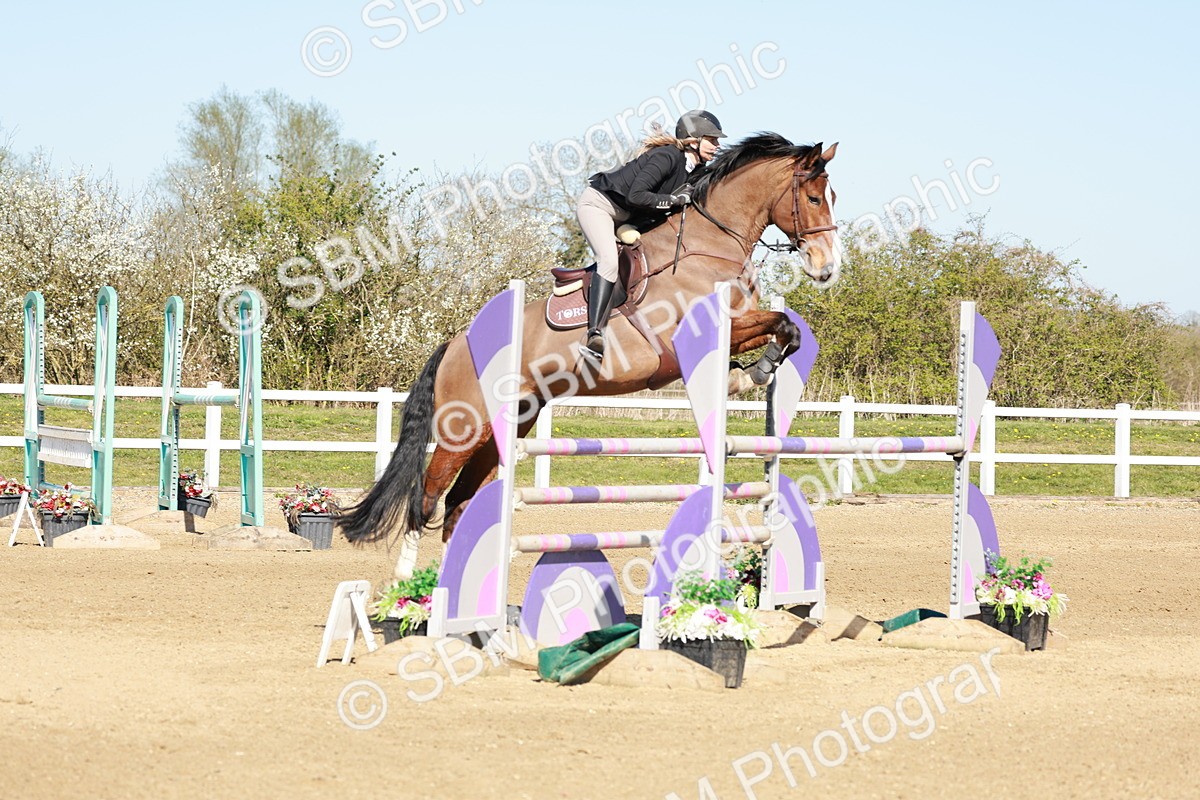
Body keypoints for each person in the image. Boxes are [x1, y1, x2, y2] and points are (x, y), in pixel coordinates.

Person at [575, 109, 727, 365]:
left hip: (629, 218)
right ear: (693, 140)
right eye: (712, 139)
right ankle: (594, 335)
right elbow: (637, 195)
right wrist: (674, 199)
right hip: (600, 206)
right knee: (609, 262)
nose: (717, 145)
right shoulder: (666, 156)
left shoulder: (696, 170)